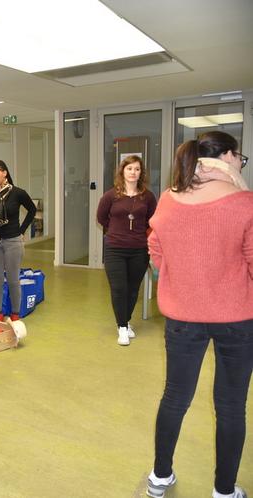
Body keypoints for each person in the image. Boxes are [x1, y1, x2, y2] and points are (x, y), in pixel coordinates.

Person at [144, 131, 252, 498]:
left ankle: (160, 478)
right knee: (231, 406)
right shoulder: (245, 203)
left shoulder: (169, 201)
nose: (241, 163)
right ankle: (224, 490)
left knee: (175, 397)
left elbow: (155, 248)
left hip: (182, 317)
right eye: (241, 157)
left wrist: (178, 278)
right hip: (237, 319)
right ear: (226, 156)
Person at [96, 155, 157, 346]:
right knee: (119, 289)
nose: (133, 172)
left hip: (139, 249)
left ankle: (126, 320)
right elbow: (102, 218)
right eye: (129, 168)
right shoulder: (111, 195)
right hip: (115, 248)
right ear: (122, 171)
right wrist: (118, 230)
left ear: (141, 173)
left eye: (137, 169)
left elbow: (152, 219)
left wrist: (136, 232)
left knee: (132, 290)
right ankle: (122, 327)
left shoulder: (147, 196)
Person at [0, 160, 36, 322]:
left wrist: (21, 231)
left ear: (4, 173)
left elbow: (32, 210)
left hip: (13, 241)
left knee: (12, 279)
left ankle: (15, 316)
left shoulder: (17, 193)